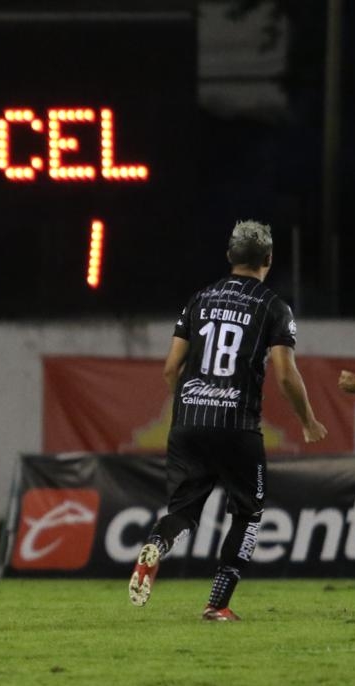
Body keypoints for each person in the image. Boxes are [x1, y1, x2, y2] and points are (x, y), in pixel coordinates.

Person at [127, 221, 326, 619]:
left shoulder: (198, 300)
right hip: (237, 425)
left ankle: (157, 546)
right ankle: (217, 603)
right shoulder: (274, 307)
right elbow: (286, 375)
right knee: (248, 514)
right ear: (268, 259)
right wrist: (308, 419)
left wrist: (188, 405)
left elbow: (171, 368)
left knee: (183, 512)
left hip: (188, 422)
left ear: (229, 256)